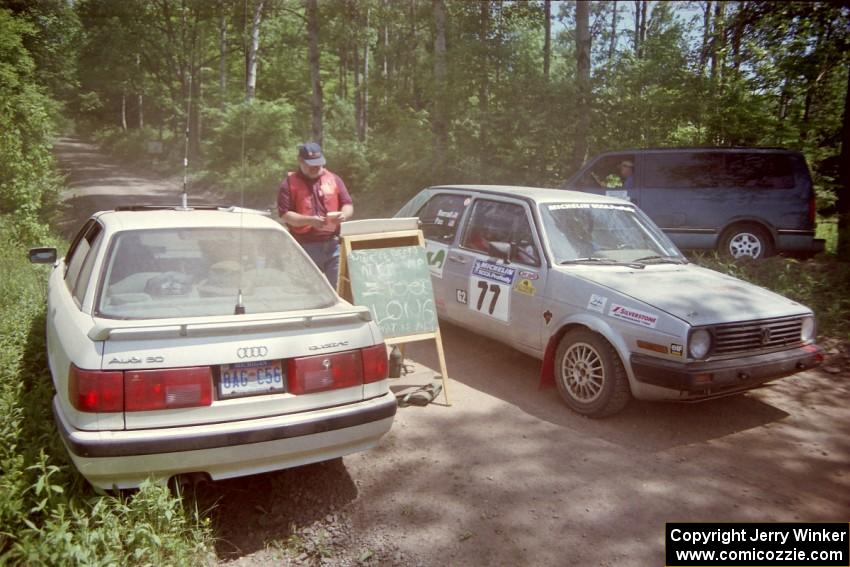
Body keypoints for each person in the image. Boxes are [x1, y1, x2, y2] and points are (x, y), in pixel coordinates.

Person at [277, 142, 353, 286]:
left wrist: (344, 215)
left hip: (333, 245)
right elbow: (285, 215)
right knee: (308, 292)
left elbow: (348, 205)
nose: (316, 168)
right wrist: (309, 220)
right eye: (311, 165)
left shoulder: (334, 179)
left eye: (318, 164)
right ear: (300, 161)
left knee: (340, 290)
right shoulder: (288, 184)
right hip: (304, 247)